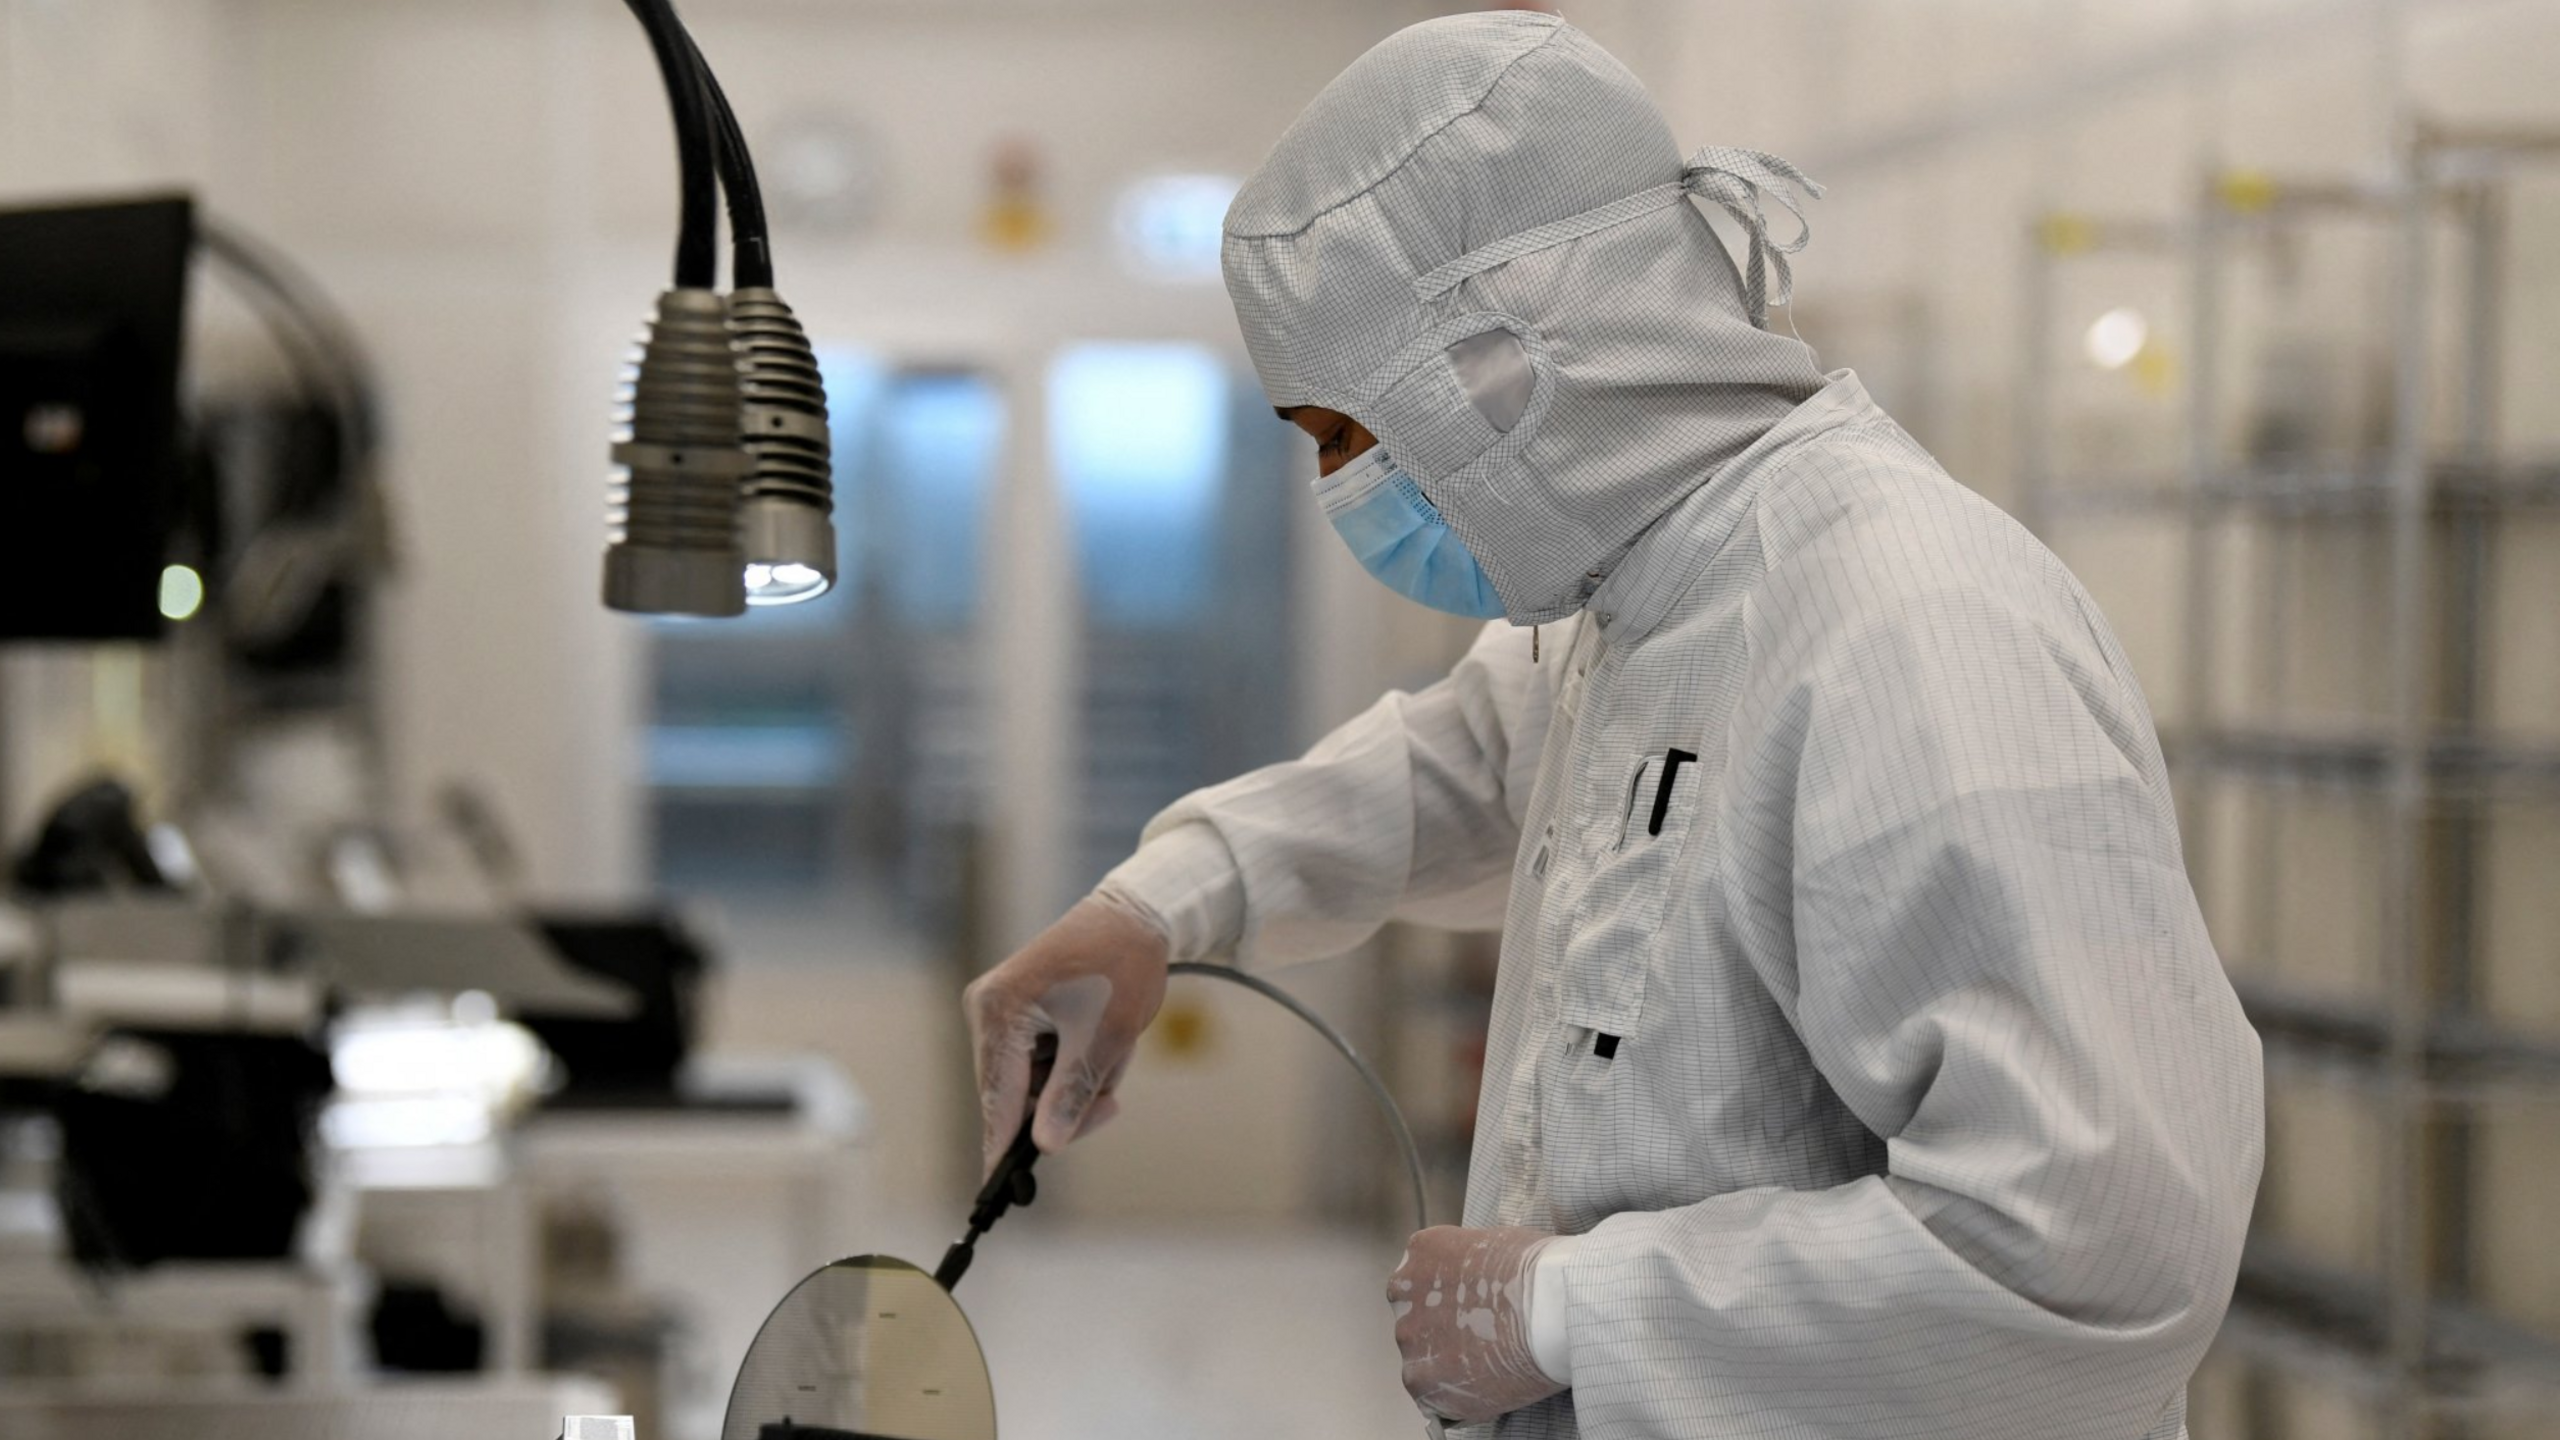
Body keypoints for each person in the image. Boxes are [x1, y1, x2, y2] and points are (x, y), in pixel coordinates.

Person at [962, 12, 2264, 1438]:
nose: (1340, 492)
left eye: (1343, 436)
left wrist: (1569, 1313)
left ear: (1500, 366)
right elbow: (1469, 764)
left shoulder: (1909, 627)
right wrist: (1162, 900)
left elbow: (2097, 1249)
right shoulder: (1651, 595)